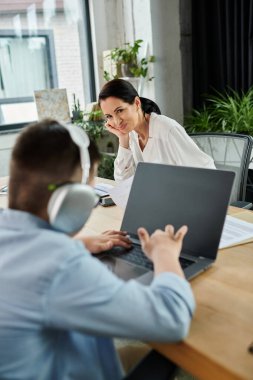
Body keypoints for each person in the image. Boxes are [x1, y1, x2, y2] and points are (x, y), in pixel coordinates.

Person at [0, 119, 195, 380]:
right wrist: (165, 255)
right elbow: (171, 319)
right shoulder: (60, 265)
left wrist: (75, 243)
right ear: (73, 200)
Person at [98, 78, 216, 182]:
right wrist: (123, 139)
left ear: (137, 103)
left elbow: (207, 172)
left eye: (120, 110)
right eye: (109, 116)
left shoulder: (167, 129)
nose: (117, 121)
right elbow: (123, 182)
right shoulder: (131, 135)